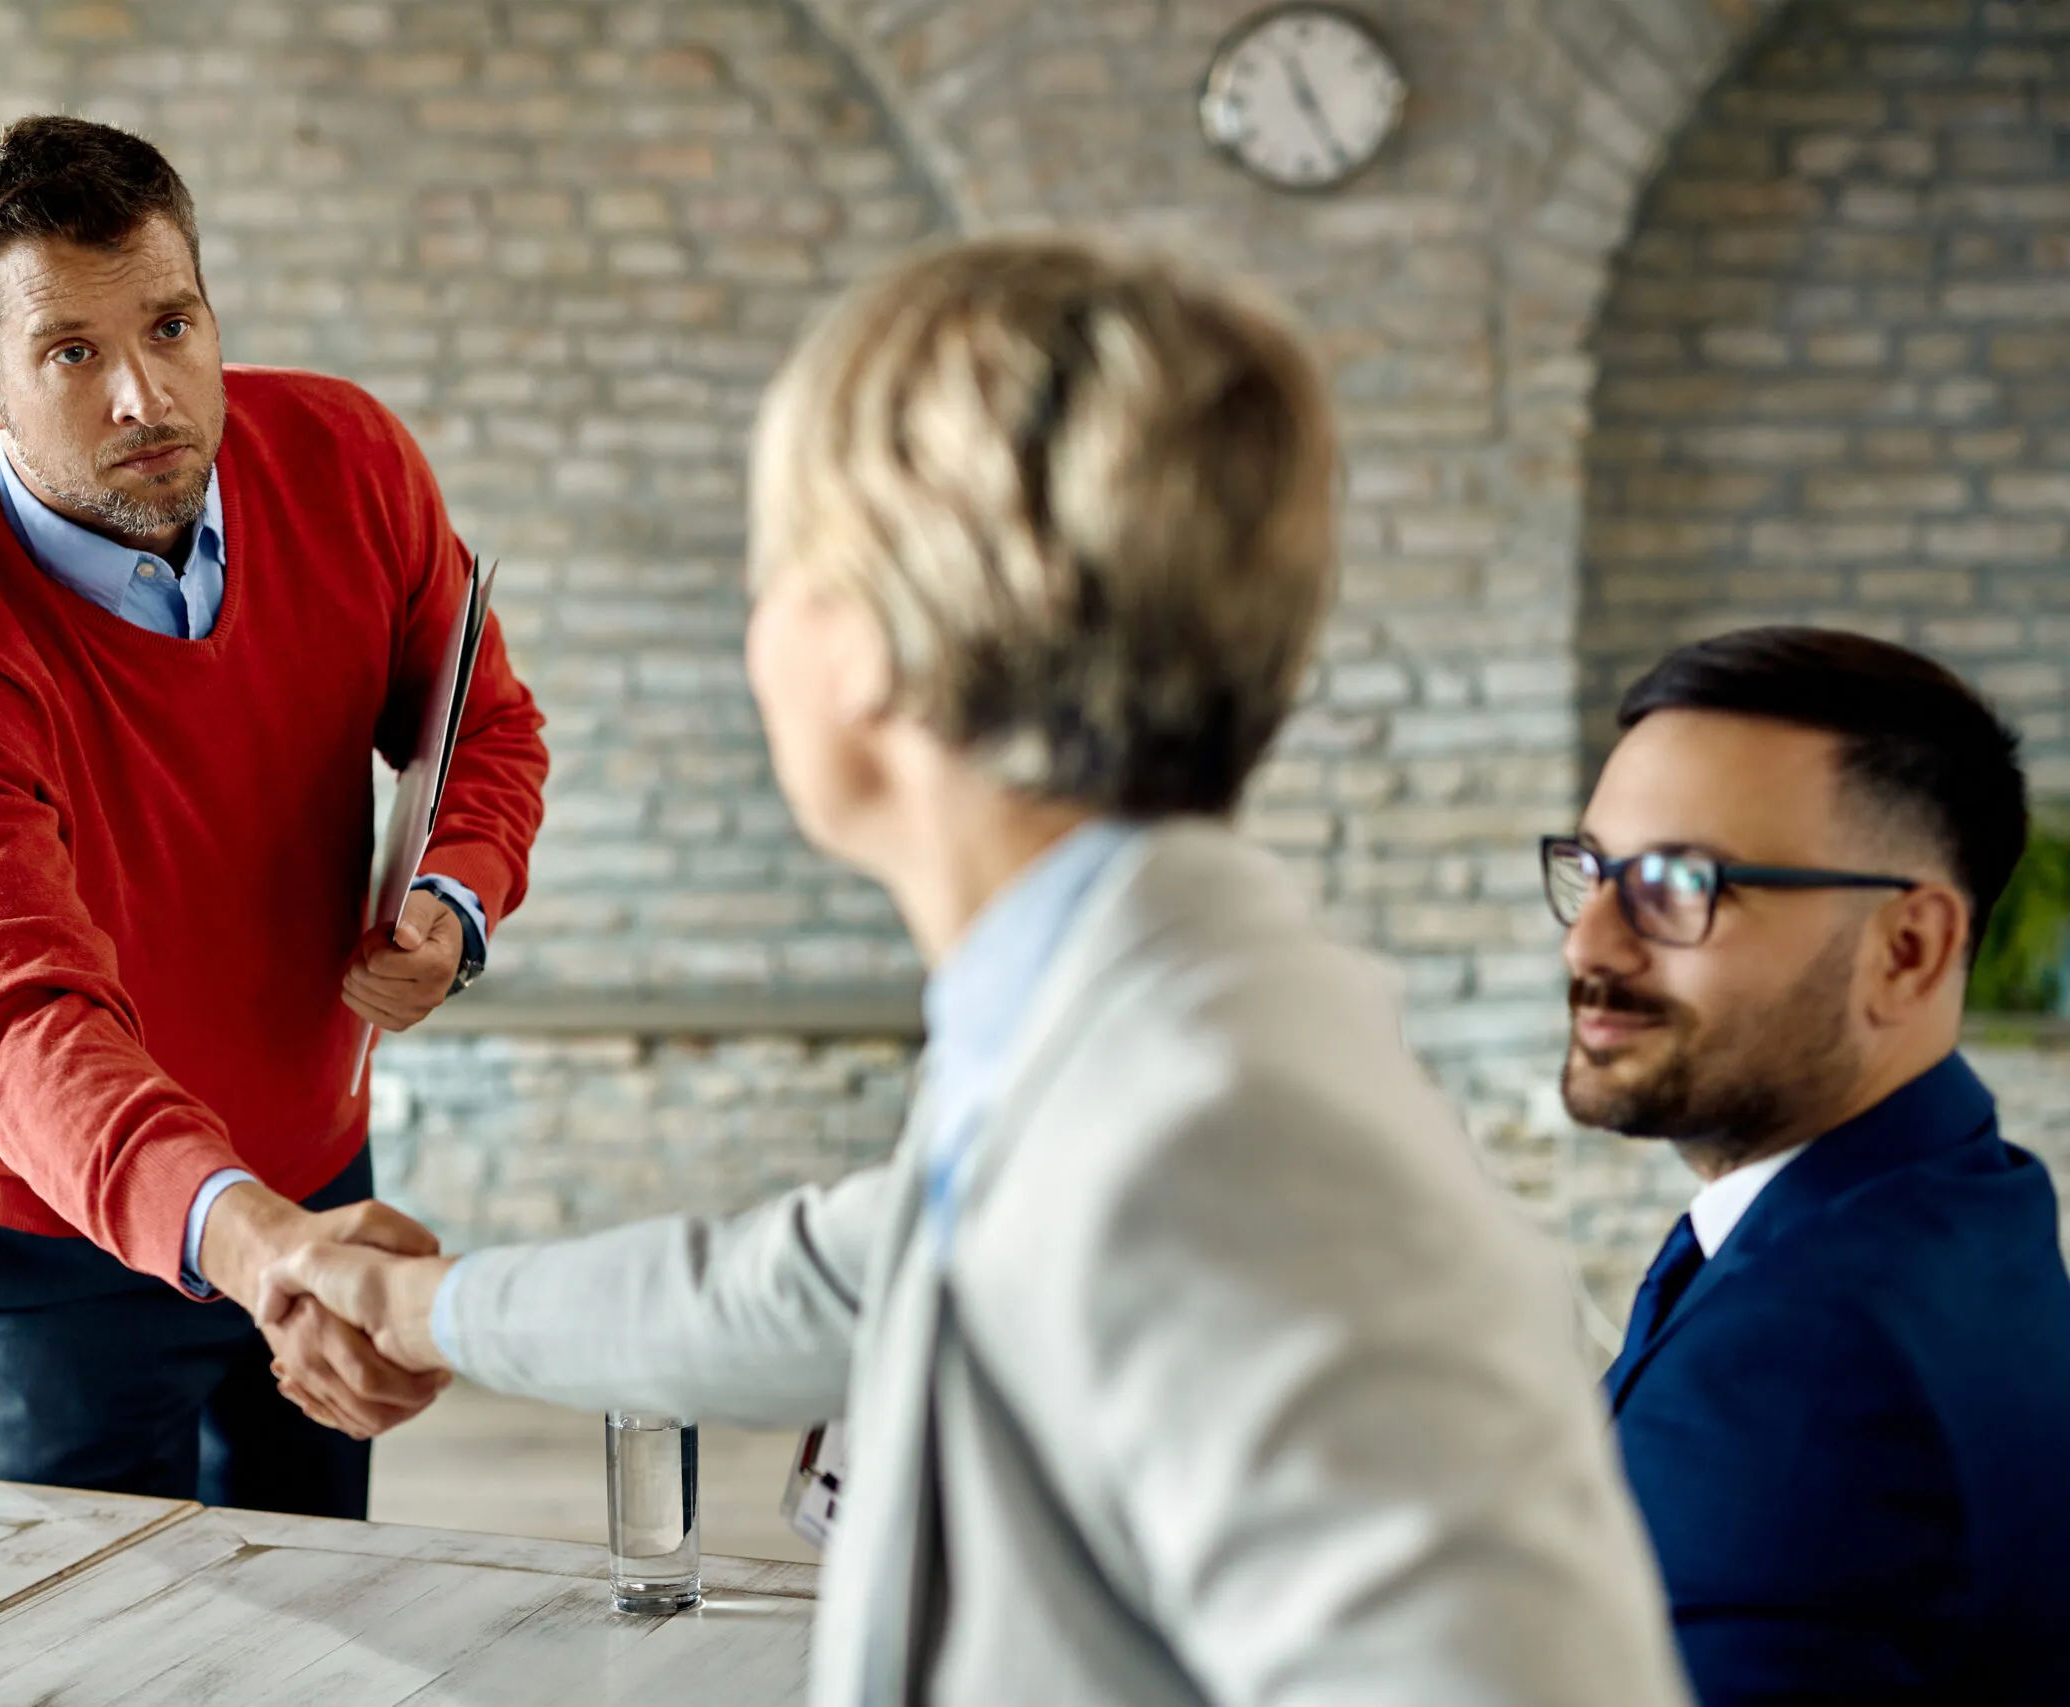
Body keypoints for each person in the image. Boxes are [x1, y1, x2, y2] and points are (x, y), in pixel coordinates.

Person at [255, 237, 1690, 1706]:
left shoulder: (1224, 1146)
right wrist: (428, 1305)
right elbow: (822, 1282)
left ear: (865, 644)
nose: (756, 630)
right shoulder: (1092, 1031)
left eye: (775, 571)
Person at [0, 116, 548, 1516]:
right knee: (95, 1636)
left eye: (171, 323)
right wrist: (254, 1240)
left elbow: (485, 728)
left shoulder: (352, 459)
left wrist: (452, 904)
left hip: (312, 1161)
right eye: (72, 352)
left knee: (321, 1580)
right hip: (52, 1231)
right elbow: (25, 1027)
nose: (143, 396)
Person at [1550, 626, 2070, 1704]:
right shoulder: (1970, 1195)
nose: (1588, 945)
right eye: (1592, 871)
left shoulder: (1802, 1371)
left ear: (1907, 949)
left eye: (1677, 883)